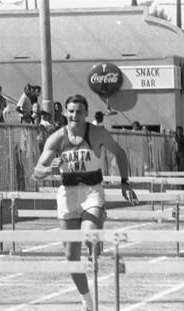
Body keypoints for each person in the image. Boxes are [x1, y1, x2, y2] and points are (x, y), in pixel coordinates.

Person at [32, 94, 138, 311]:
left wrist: (125, 182)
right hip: (67, 195)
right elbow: (36, 172)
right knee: (71, 254)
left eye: (79, 111)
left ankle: (97, 219)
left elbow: (119, 152)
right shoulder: (57, 138)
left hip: (92, 191)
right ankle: (86, 301)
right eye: (71, 111)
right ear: (65, 114)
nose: (74, 115)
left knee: (89, 233)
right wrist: (50, 168)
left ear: (86, 113)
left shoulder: (97, 133)